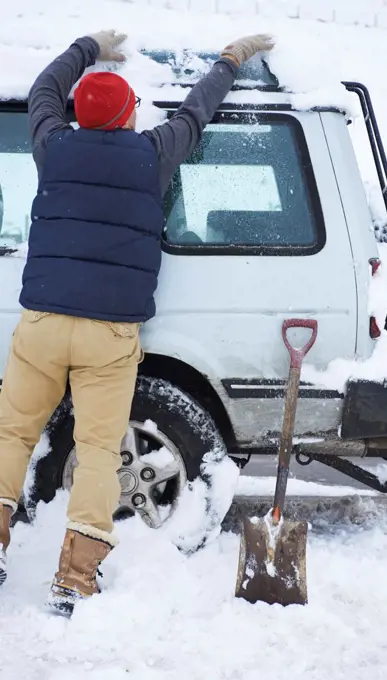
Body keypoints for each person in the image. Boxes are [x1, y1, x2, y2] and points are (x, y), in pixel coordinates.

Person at [0, 29, 274, 614]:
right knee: (98, 449)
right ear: (128, 117)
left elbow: (45, 90)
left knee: (12, 434)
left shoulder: (53, 146)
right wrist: (230, 59)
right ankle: (74, 578)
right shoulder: (152, 153)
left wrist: (84, 48)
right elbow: (198, 112)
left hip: (43, 323)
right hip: (108, 334)